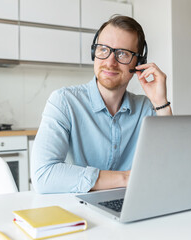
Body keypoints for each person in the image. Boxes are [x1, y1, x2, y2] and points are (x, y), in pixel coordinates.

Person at [31, 15, 172, 194]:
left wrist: (161, 102)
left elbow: (168, 169)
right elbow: (44, 175)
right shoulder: (64, 102)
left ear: (138, 63)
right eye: (103, 49)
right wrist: (126, 178)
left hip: (133, 205)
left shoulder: (146, 108)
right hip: (77, 208)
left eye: (122, 53)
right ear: (94, 53)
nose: (110, 62)